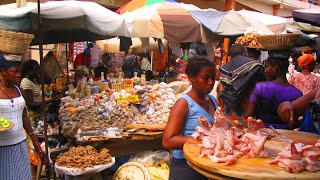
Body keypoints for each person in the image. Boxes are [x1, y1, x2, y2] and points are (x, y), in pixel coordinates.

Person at [162, 56, 218, 180]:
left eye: (213, 78)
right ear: (191, 77)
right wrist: (202, 140)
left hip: (207, 165)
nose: (211, 82)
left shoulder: (213, 100)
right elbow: (167, 141)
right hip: (186, 167)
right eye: (206, 78)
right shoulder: (184, 103)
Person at [0, 54, 42, 179]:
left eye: (19, 72)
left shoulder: (19, 91)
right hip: (3, 147)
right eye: (14, 72)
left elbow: (24, 117)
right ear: (2, 72)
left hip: (20, 144)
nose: (18, 75)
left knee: (22, 176)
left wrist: (34, 140)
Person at [247, 51, 303, 129]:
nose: (265, 70)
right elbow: (294, 122)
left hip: (262, 133)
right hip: (285, 135)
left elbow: (249, 114)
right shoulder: (297, 93)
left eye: (266, 67)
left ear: (275, 68)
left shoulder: (260, 87)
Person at [217, 44, 264, 126]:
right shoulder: (253, 79)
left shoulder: (224, 76)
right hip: (245, 126)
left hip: (225, 125)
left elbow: (219, 102)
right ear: (245, 55)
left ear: (230, 57)